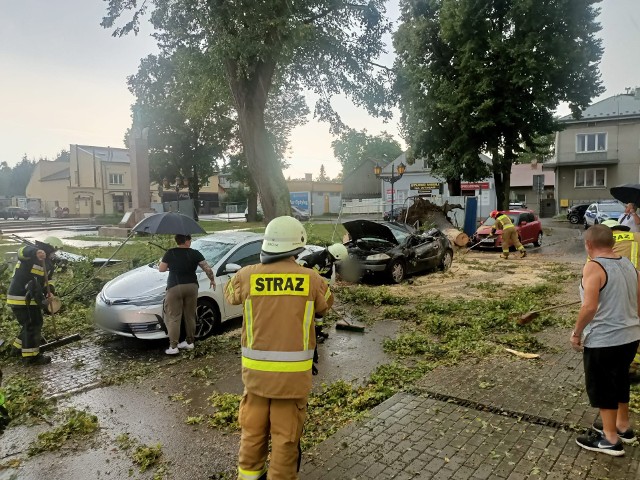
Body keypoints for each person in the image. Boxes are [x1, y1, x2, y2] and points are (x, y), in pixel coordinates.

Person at [224, 216, 334, 480]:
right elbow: (326, 305)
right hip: (292, 380)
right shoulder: (311, 279)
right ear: (297, 247)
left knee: (252, 434)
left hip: (256, 378)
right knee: (285, 440)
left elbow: (229, 295)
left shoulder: (247, 275)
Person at [571, 225, 640, 456]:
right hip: (630, 337)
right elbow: (638, 301)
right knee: (620, 379)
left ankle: (610, 440)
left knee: (603, 386)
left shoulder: (593, 266)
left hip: (604, 339)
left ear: (588, 244)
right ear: (611, 243)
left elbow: (589, 306)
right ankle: (622, 426)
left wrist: (577, 332)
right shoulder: (629, 264)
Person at [7, 236, 63, 365]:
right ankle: (31, 357)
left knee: (30, 324)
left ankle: (17, 348)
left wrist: (50, 292)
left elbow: (48, 281)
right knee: (33, 325)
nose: (55, 254)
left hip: (32, 299)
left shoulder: (48, 264)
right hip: (21, 297)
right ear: (49, 248)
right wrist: (35, 252)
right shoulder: (32, 254)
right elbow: (21, 251)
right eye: (54, 251)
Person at [158, 234, 216, 355]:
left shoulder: (170, 253)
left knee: (174, 316)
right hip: (192, 286)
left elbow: (161, 269)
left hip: (175, 286)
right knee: (190, 315)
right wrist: (212, 280)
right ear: (186, 241)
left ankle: (173, 346)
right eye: (190, 240)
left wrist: (169, 265)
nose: (190, 242)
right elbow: (207, 269)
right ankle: (189, 342)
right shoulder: (195, 253)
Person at [297, 243, 348, 343]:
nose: (338, 262)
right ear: (335, 255)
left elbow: (326, 279)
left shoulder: (329, 262)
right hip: (305, 287)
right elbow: (303, 273)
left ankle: (318, 331)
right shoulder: (316, 259)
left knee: (320, 309)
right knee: (309, 312)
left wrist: (325, 292)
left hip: (315, 288)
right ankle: (311, 335)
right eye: (338, 260)